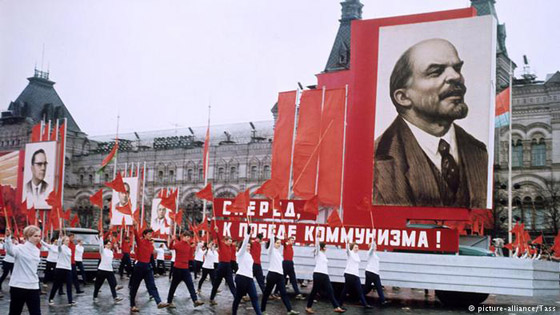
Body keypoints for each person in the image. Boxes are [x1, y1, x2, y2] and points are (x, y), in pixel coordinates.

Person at [373, 38, 488, 209]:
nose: (456, 77)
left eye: (457, 68)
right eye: (436, 72)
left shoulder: (480, 152)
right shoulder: (376, 159)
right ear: (403, 97)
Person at [129, 222, 168, 312]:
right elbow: (136, 236)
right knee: (135, 287)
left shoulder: (150, 245)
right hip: (139, 267)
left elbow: (152, 253)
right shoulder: (140, 242)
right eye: (149, 234)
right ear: (145, 235)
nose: (151, 235)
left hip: (147, 267)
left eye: (151, 234)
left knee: (152, 285)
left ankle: (158, 302)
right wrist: (135, 228)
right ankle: (132, 305)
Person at [5, 226, 42, 315]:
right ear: (28, 236)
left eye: (39, 236)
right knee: (15, 312)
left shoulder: (37, 250)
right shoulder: (20, 248)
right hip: (19, 286)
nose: (38, 238)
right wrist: (8, 238)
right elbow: (10, 251)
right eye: (35, 236)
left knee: (36, 313)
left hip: (33, 286)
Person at [305, 235, 345, 314]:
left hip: (325, 275)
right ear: (322, 247)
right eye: (325, 247)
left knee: (330, 291)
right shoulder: (318, 253)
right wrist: (317, 237)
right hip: (318, 274)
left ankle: (336, 307)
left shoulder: (323, 254)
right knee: (314, 291)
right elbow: (317, 245)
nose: (326, 248)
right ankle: (308, 307)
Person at [261, 234, 299, 315]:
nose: (279, 244)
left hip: (280, 275)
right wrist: (272, 233)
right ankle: (262, 310)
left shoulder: (278, 252)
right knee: (267, 293)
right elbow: (271, 243)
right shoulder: (270, 251)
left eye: (279, 243)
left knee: (283, 293)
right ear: (273, 243)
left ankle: (289, 310)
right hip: (272, 274)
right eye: (277, 243)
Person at [166, 232, 204, 308]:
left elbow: (190, 255)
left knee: (190, 284)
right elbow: (170, 247)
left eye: (189, 237)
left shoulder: (189, 246)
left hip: (185, 269)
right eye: (187, 237)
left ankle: (195, 301)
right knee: (173, 286)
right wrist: (172, 240)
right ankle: (169, 302)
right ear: (183, 237)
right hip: (177, 268)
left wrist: (195, 247)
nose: (188, 238)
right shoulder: (178, 244)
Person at [232, 230, 261, 315]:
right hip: (241, 277)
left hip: (249, 278)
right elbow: (244, 244)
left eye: (249, 246)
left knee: (254, 297)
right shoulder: (240, 254)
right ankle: (234, 313)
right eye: (247, 246)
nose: (248, 247)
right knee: (238, 297)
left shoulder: (249, 255)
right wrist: (248, 235)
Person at [338, 243, 372, 309]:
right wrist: (347, 243)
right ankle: (339, 304)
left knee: (360, 290)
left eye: (357, 247)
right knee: (345, 290)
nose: (357, 249)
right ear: (352, 248)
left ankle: (365, 304)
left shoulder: (357, 255)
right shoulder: (350, 253)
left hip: (356, 275)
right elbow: (347, 250)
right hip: (349, 274)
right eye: (355, 247)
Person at [209, 225, 236, 305]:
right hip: (221, 266)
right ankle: (211, 298)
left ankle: (236, 297)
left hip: (228, 266)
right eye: (229, 241)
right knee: (217, 283)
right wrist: (217, 231)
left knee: (231, 283)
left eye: (231, 241)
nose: (230, 242)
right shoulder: (222, 245)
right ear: (225, 241)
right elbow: (218, 238)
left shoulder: (231, 247)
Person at [93, 233, 123, 303]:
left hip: (109, 270)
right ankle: (95, 296)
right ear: (105, 245)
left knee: (113, 284)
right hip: (102, 270)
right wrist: (100, 238)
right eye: (108, 244)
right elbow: (100, 246)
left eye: (110, 244)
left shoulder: (111, 252)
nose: (110, 245)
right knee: (98, 284)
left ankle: (115, 297)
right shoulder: (103, 251)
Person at [47, 233, 76, 306]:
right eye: (66, 240)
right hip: (60, 268)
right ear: (63, 241)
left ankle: (70, 300)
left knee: (69, 285)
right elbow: (59, 246)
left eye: (68, 240)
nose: (68, 241)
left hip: (68, 268)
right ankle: (51, 298)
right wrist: (60, 238)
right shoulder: (60, 248)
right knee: (56, 284)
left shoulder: (69, 249)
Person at [364, 242, 388, 306]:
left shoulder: (374, 254)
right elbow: (371, 249)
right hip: (370, 272)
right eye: (375, 246)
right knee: (367, 287)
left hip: (375, 273)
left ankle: (383, 301)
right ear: (372, 247)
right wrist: (373, 243)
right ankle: (361, 298)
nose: (376, 247)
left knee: (379, 287)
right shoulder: (369, 253)